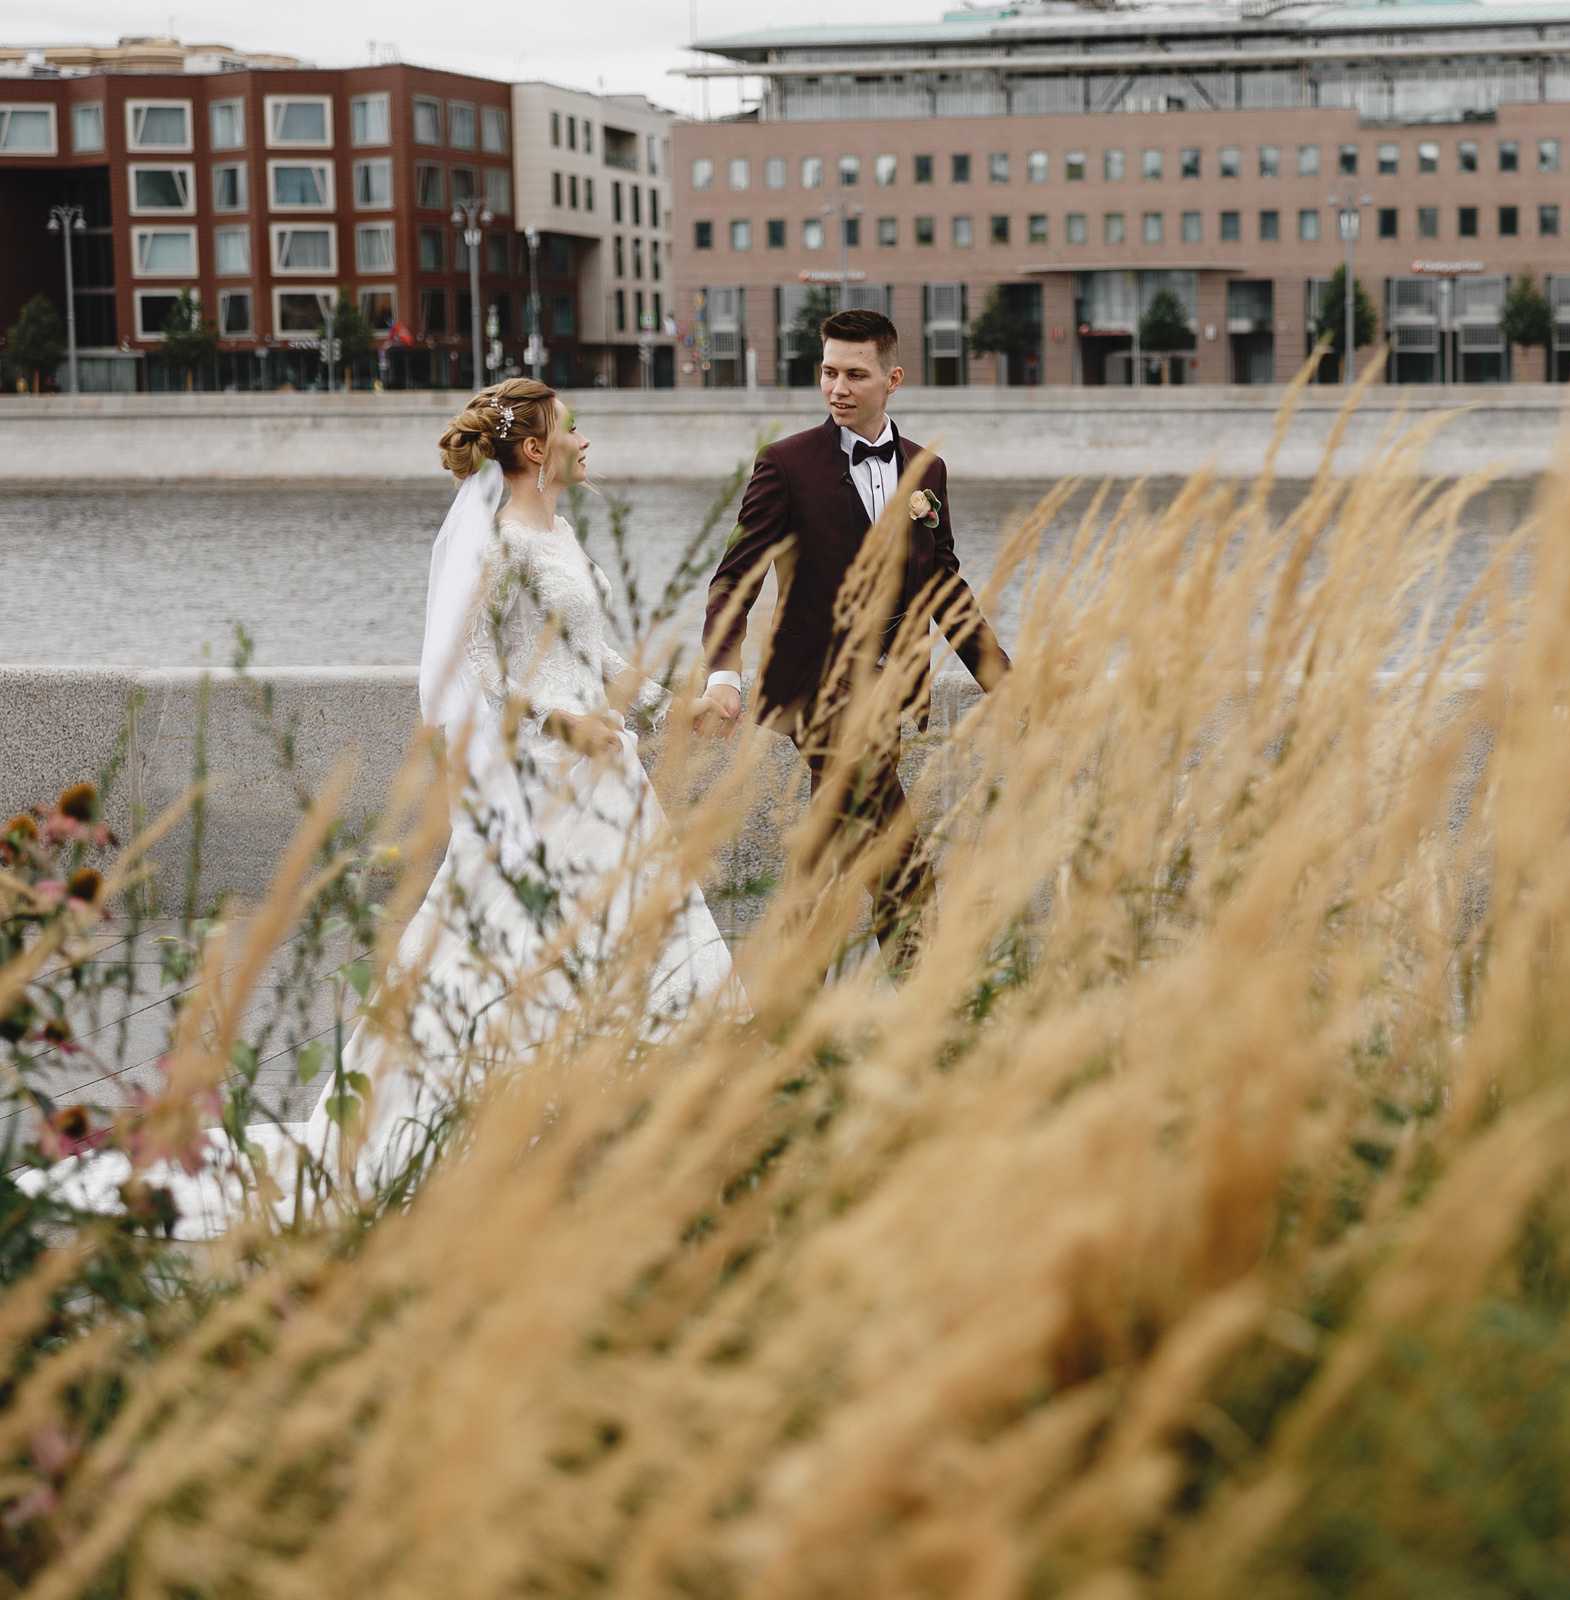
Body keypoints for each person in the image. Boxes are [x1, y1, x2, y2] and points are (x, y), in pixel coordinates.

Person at [26, 380, 735, 1235]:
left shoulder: (559, 529)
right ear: (537, 450)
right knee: (514, 947)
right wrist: (561, 721)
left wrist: (669, 708)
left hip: (606, 775)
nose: (590, 444)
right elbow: (465, 675)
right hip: (548, 776)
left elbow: (594, 652)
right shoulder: (500, 543)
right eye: (576, 430)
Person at [695, 308, 1009, 957]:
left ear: (891, 378)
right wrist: (723, 674)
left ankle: (784, 1006)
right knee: (904, 867)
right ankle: (921, 992)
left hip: (891, 697)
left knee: (828, 854)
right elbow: (734, 579)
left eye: (855, 374)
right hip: (819, 697)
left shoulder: (928, 473)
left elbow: (944, 586)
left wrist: (1003, 682)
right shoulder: (784, 464)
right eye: (828, 371)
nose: (837, 387)